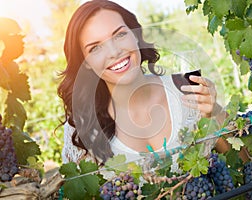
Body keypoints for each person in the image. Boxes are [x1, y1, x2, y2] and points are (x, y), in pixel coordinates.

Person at [57, 0, 228, 167]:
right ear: (85, 63)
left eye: (120, 35)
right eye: (95, 48)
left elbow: (242, 165)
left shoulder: (187, 91)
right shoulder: (81, 128)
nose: (114, 52)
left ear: (136, 35)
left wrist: (215, 113)